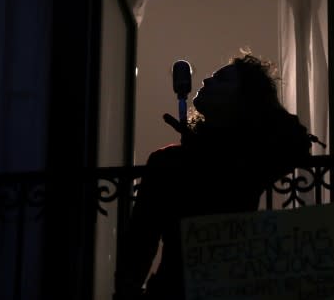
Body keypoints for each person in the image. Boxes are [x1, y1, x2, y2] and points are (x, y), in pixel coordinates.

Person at [115, 52, 314, 299]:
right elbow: (141, 238)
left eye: (221, 80)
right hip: (184, 286)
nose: (207, 81)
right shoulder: (168, 161)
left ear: (245, 100)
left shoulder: (250, 157)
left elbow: (294, 142)